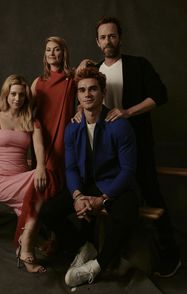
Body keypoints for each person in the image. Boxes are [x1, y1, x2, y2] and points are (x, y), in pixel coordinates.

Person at [76, 16, 181, 277]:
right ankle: (105, 252)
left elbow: (160, 94)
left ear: (120, 38)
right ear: (97, 42)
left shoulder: (137, 65)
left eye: (112, 36)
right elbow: (85, 98)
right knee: (110, 197)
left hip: (138, 144)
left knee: (151, 194)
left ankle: (171, 255)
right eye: (103, 37)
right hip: (106, 149)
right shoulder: (97, 70)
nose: (108, 41)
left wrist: (127, 111)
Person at [0, 74, 57, 273]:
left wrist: (40, 166)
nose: (17, 99)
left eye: (21, 95)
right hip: (0, 182)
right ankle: (27, 243)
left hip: (24, 181)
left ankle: (25, 248)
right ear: (6, 94)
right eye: (13, 94)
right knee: (36, 200)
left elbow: (39, 148)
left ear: (26, 97)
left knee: (36, 198)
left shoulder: (31, 119)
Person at [64, 67, 139, 287]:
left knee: (127, 215)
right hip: (85, 185)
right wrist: (78, 195)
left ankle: (96, 265)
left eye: (93, 89)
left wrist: (102, 199)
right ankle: (84, 246)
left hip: (113, 185)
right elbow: (70, 168)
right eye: (82, 90)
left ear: (103, 92)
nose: (87, 94)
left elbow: (128, 170)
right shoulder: (72, 128)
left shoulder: (120, 125)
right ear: (77, 96)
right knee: (48, 209)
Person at [31, 36, 77, 252]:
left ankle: (63, 240)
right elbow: (21, 109)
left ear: (63, 53)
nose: (52, 53)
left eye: (56, 49)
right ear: (45, 54)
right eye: (48, 49)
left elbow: (87, 100)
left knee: (57, 193)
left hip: (63, 142)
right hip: (42, 141)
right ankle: (53, 238)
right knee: (43, 193)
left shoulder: (72, 78)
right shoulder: (38, 82)